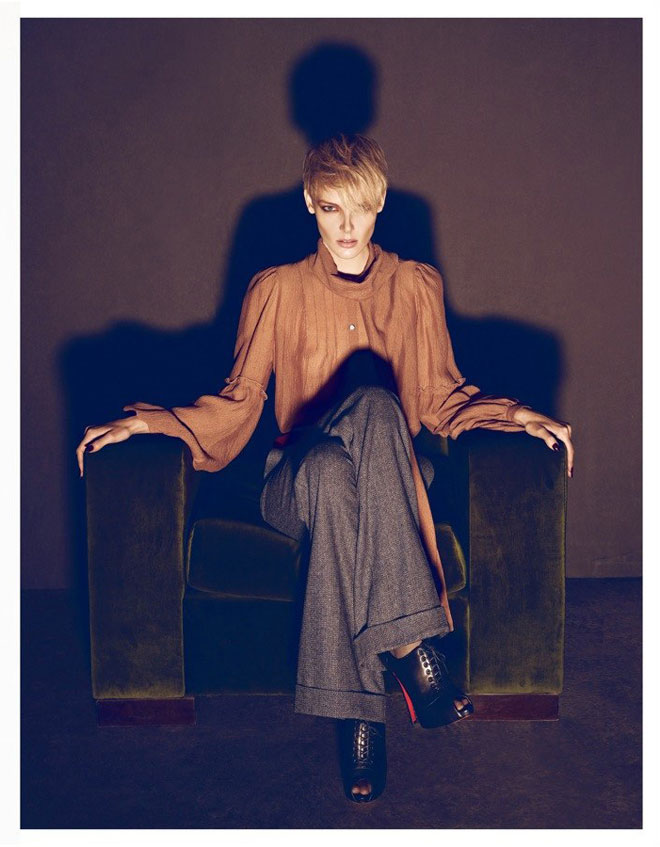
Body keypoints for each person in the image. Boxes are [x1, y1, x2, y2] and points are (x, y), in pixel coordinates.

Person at [76, 133, 575, 804]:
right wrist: (146, 423)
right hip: (294, 474)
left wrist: (517, 416)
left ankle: (361, 718)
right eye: (332, 208)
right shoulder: (277, 289)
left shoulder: (415, 286)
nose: (347, 226)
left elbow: (440, 396)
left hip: (386, 474)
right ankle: (412, 646)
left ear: (380, 203)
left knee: (361, 437)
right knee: (333, 456)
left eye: (359, 208)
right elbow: (238, 400)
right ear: (311, 203)